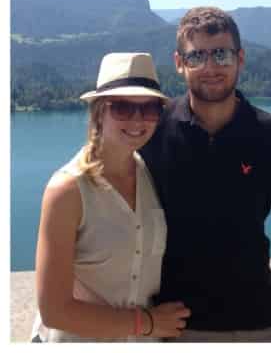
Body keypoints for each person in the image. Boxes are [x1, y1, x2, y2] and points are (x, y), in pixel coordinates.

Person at [141, 8, 271, 341]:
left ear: (240, 58)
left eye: (221, 54)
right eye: (196, 57)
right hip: (173, 325)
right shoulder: (154, 129)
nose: (210, 67)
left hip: (257, 321)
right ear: (179, 63)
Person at [33, 53, 190, 341]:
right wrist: (149, 323)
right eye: (122, 107)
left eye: (150, 109)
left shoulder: (152, 175)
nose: (137, 119)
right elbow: (53, 310)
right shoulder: (67, 191)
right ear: (99, 112)